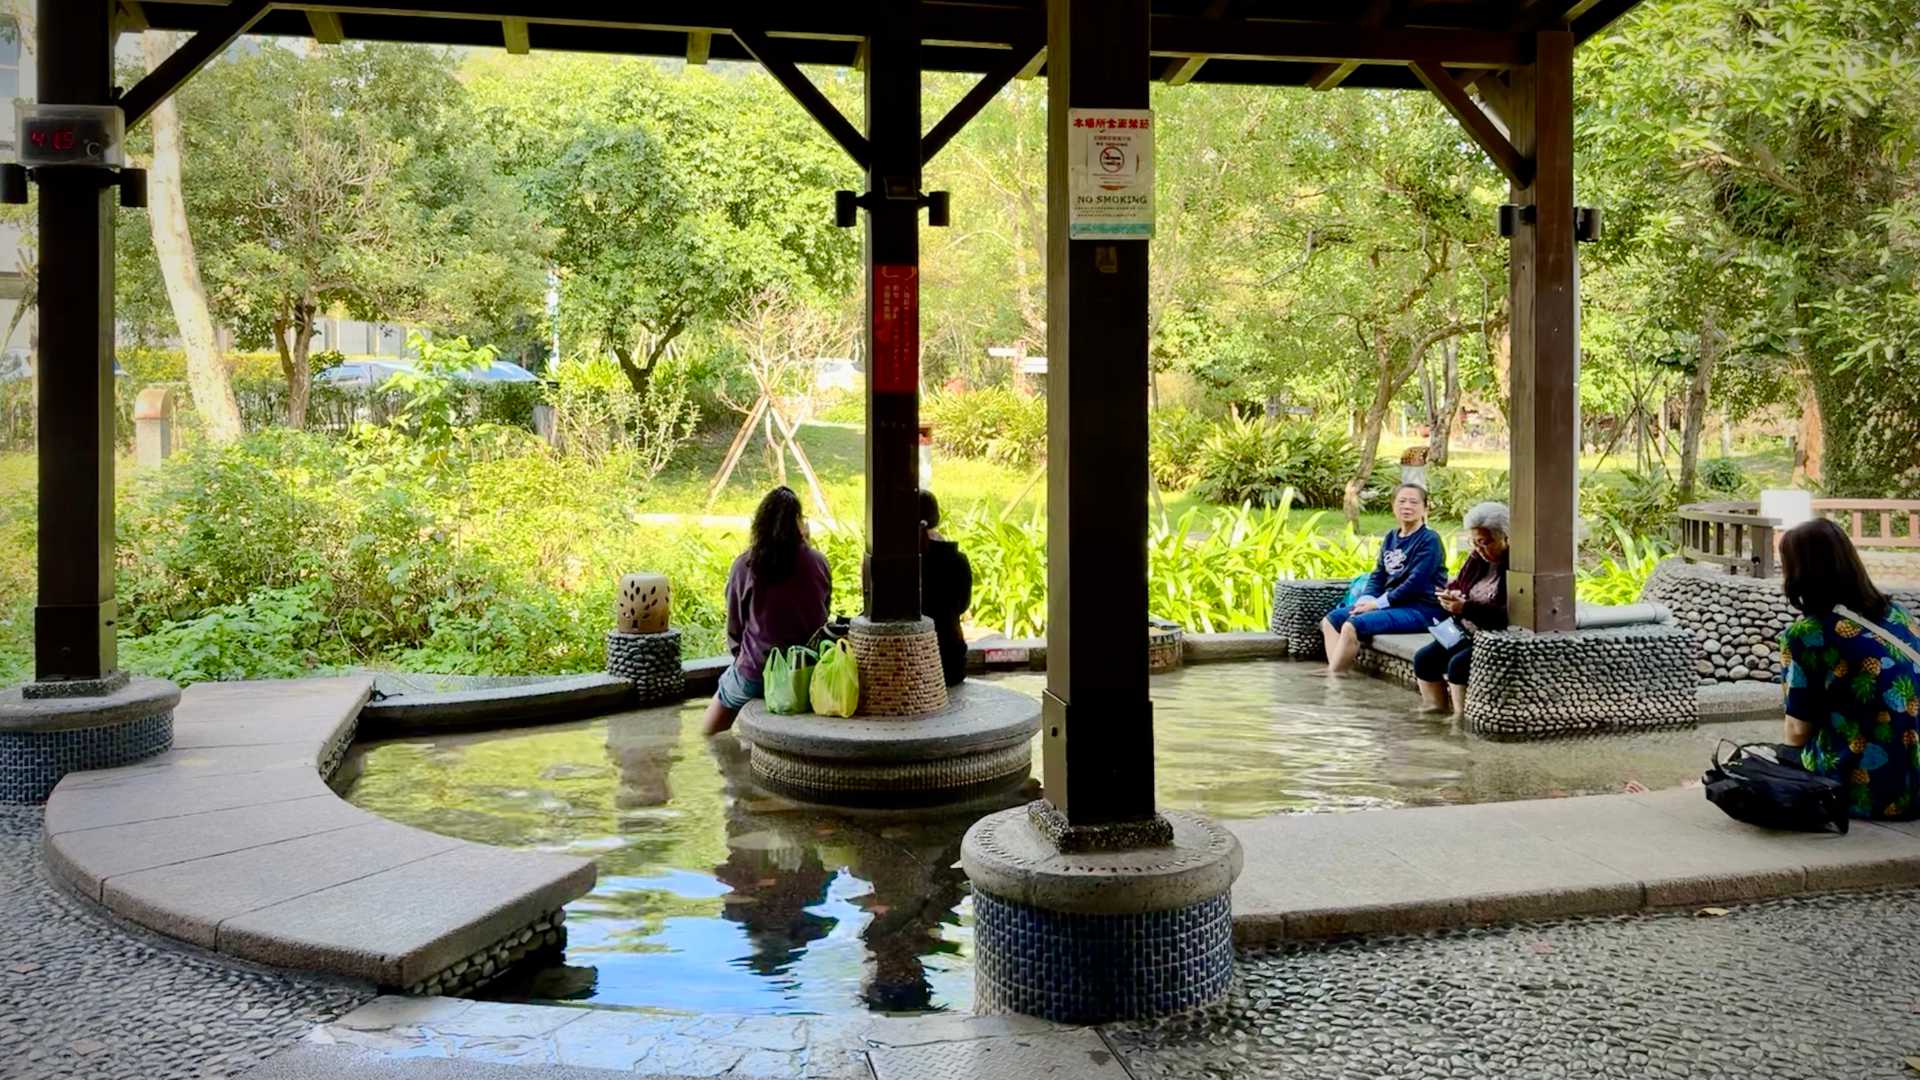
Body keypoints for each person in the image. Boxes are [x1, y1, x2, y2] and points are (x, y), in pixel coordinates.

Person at [1777, 519, 1920, 820]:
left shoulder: (1808, 633)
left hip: (1869, 792)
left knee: (1765, 760)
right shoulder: (1897, 614)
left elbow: (1797, 730)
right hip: (1915, 782)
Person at [704, 487, 832, 736]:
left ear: (759, 523)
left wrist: (743, 658)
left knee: (709, 731)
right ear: (799, 523)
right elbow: (822, 614)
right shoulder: (818, 562)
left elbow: (735, 624)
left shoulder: (746, 565)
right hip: (805, 671)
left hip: (755, 671)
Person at [1321, 483, 1449, 674]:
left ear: (1425, 508)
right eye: (1402, 501)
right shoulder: (1391, 536)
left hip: (1422, 609)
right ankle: (1336, 670)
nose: (1407, 506)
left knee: (1351, 626)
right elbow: (1379, 574)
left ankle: (1334, 682)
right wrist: (1366, 600)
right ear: (1393, 505)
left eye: (1413, 502)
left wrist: (1377, 604)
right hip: (1394, 605)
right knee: (1330, 621)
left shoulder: (1429, 540)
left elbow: (1416, 583)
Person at [1412, 501, 1511, 715]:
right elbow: (1459, 584)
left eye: (1485, 543)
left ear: (1505, 538)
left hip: (1492, 637)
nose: (1479, 549)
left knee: (1457, 666)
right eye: (1475, 543)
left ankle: (1460, 719)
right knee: (1424, 659)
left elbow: (1504, 616)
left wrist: (1465, 608)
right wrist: (1452, 594)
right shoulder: (1477, 559)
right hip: (1464, 630)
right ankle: (1434, 710)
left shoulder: (1514, 567)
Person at [916, 491, 974, 687]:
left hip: (914, 666)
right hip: (952, 663)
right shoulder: (957, 559)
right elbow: (963, 605)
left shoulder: (907, 564)